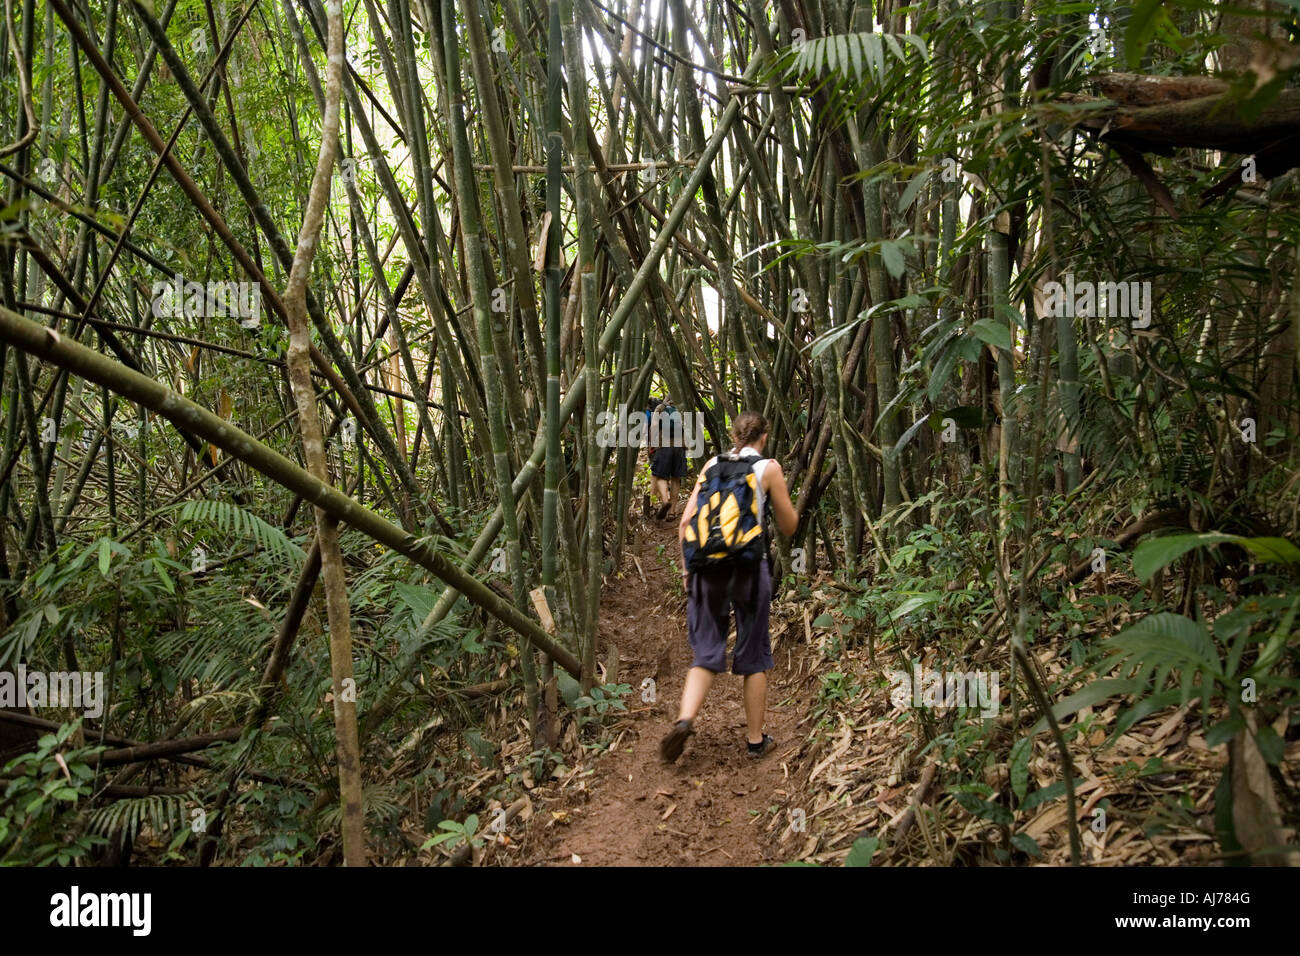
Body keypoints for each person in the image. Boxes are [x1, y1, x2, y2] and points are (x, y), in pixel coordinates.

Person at [660, 411, 798, 762]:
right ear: (763, 437)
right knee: (754, 654)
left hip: (707, 568)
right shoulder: (769, 469)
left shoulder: (711, 466)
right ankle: (755, 741)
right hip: (750, 571)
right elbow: (789, 525)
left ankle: (685, 719)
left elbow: (686, 521)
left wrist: (688, 570)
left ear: (734, 436)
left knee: (706, 652)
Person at [648, 395, 686, 520]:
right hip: (679, 447)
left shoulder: (660, 409)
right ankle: (673, 512)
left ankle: (665, 500)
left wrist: (652, 444)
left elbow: (654, 426)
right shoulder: (681, 409)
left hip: (664, 446)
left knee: (659, 476)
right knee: (676, 478)